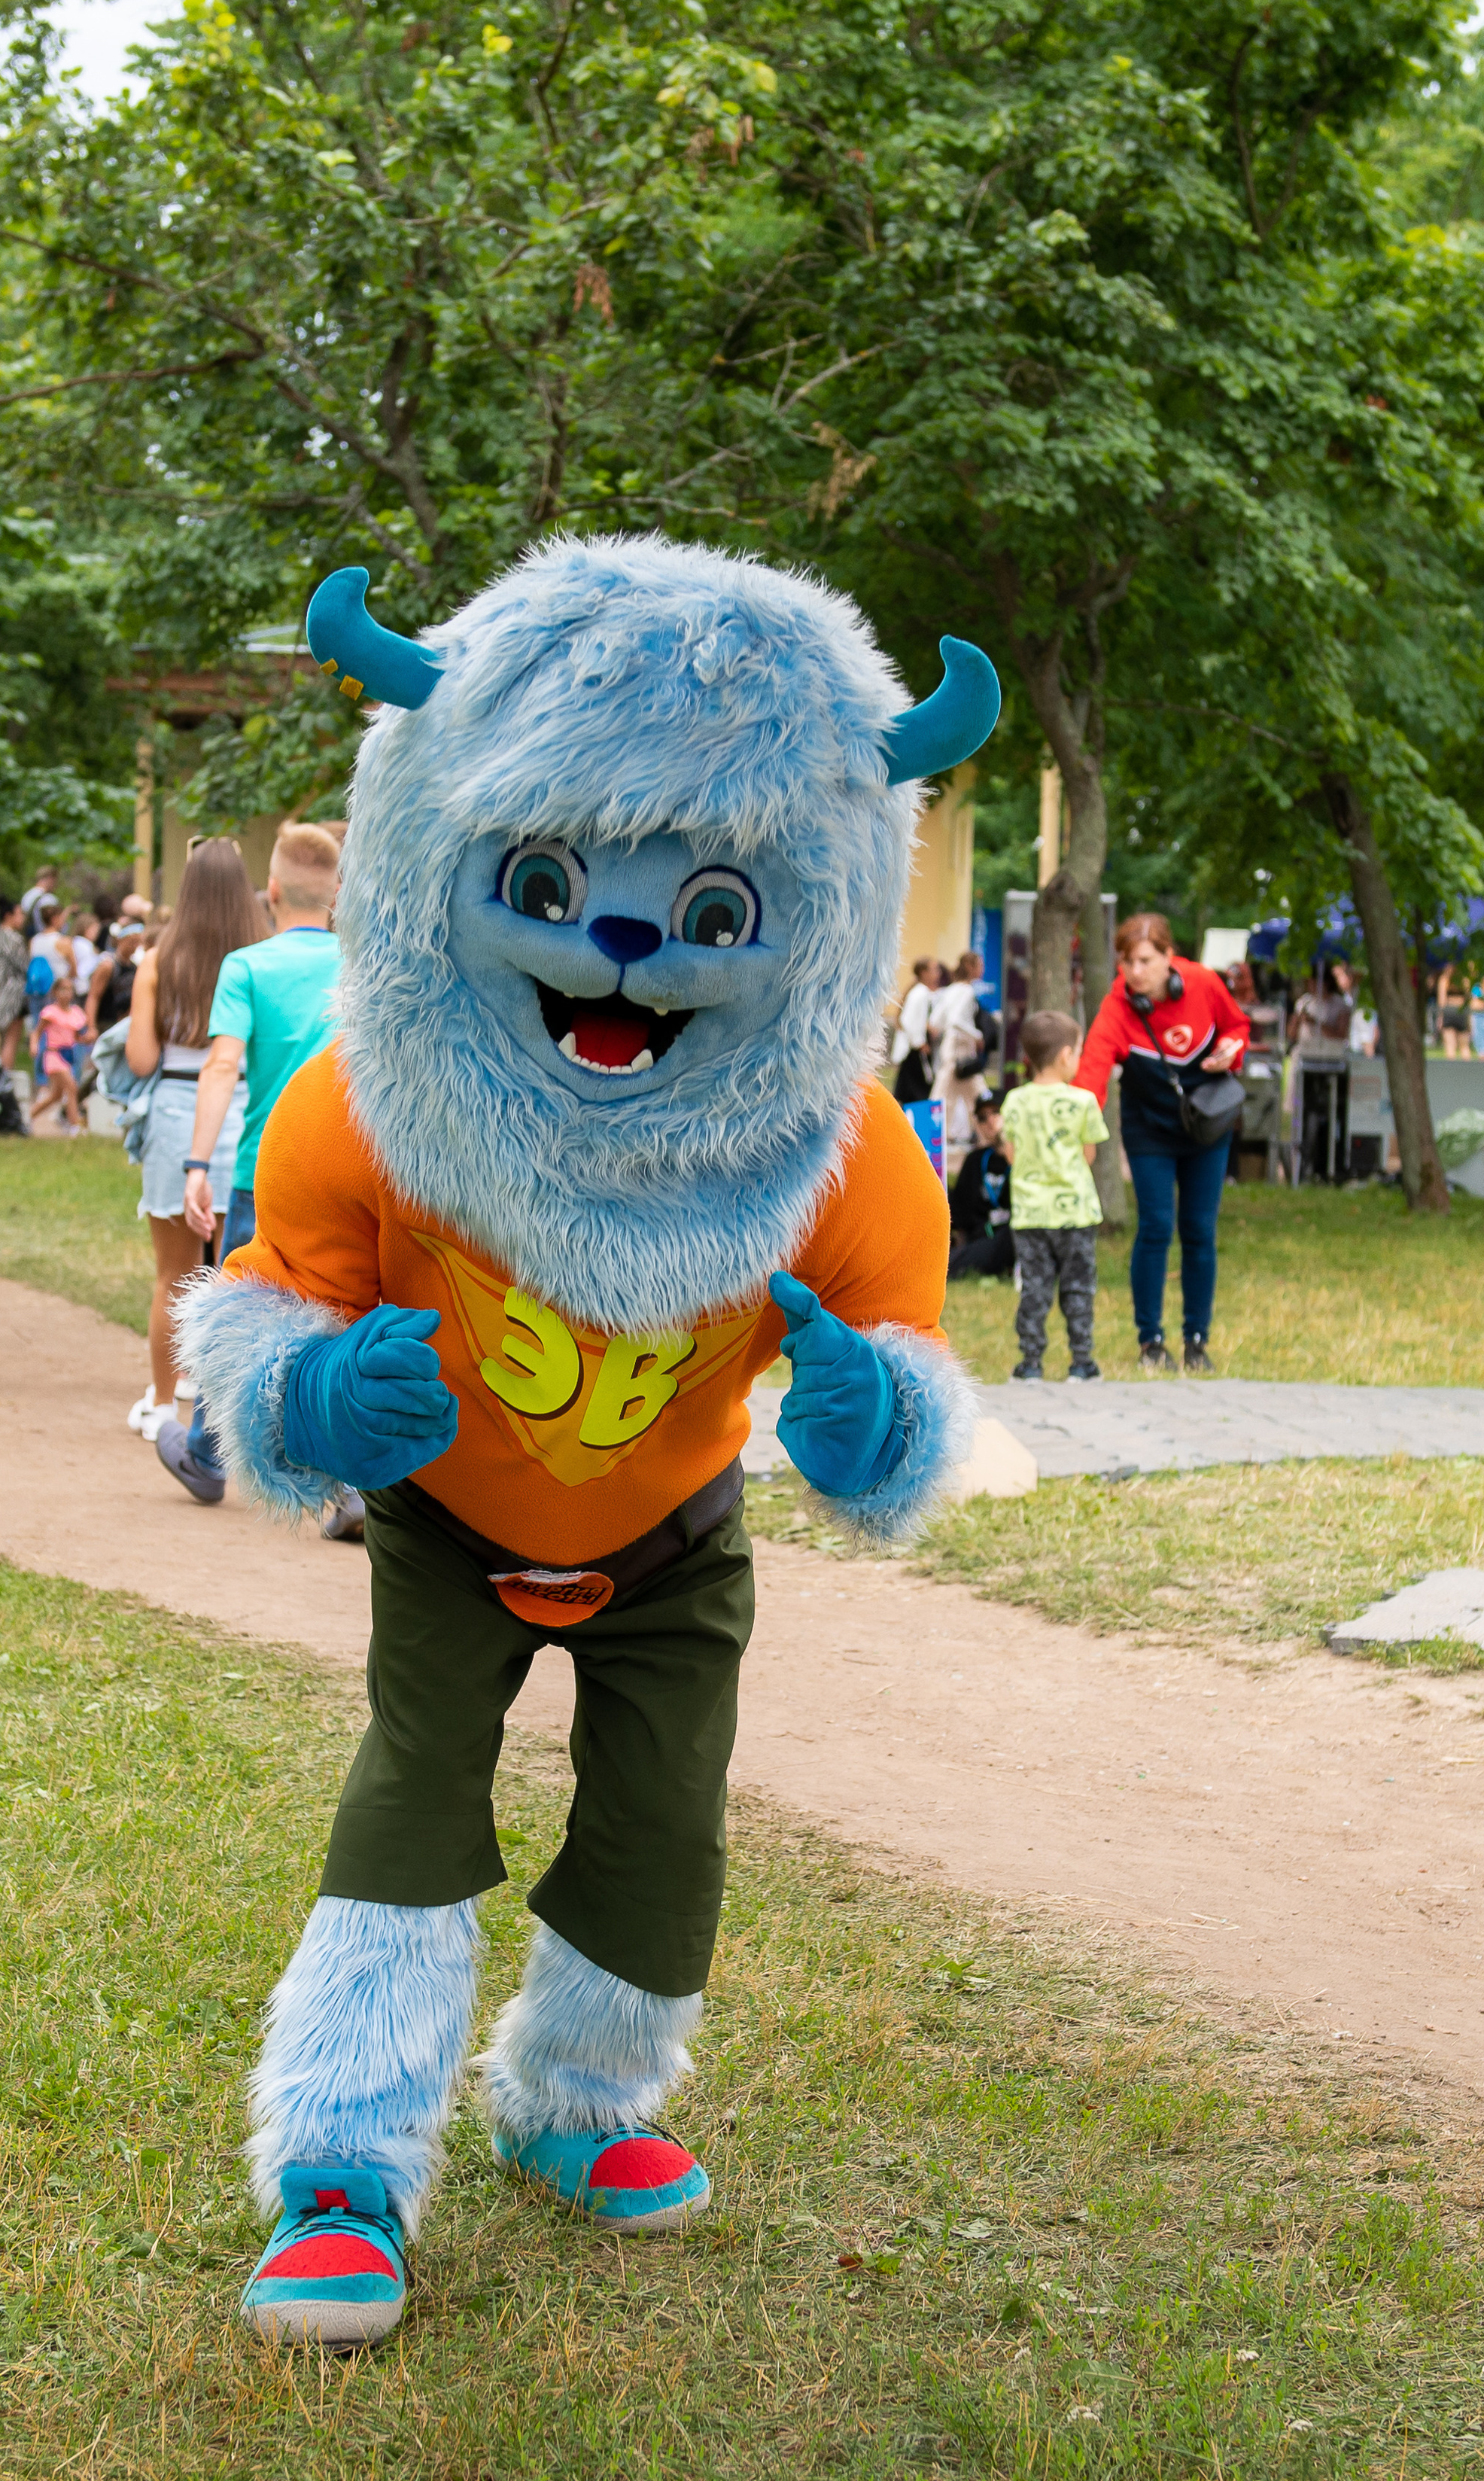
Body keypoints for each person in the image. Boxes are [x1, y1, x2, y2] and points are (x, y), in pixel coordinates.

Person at [177, 540, 979, 2349]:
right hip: (448, 1523)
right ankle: (340, 2163)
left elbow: (904, 1370)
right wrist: (308, 1399)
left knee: (660, 1822)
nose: (616, 940)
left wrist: (874, 1423)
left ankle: (575, 2094)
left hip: (671, 1535)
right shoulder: (363, 1102)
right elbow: (262, 1311)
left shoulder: (840, 1151)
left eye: (711, 903)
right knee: (409, 1798)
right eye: (543, 881)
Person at [157, 822, 345, 1508]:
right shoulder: (362, 965)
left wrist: (195, 1162)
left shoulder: (246, 967)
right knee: (349, 1311)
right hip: (353, 1169)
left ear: (271, 891)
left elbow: (222, 1066)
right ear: (336, 894)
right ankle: (351, 1490)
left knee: (241, 1310)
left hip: (265, 1167)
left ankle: (207, 1455)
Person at [123, 838, 262, 1438]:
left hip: (179, 1113)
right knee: (238, 1272)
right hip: (245, 1108)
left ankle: (161, 1403)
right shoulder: (259, 957)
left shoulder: (160, 959)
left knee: (173, 1274)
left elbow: (140, 1057)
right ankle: (227, 1413)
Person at [1075, 910, 1249, 1377]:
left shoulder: (1204, 983)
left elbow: (1237, 1026)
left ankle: (1197, 1340)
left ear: (1170, 957)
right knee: (1155, 1227)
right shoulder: (1117, 1008)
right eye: (1127, 962)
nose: (1135, 972)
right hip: (1149, 1130)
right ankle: (1150, 1341)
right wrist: (1076, 1126)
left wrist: (1232, 1051)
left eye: (1146, 961)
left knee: (1199, 1230)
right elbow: (1091, 1075)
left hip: (1205, 1127)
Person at [1002, 1011, 1105, 1380]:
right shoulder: (1084, 1102)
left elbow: (1011, 1155)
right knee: (1078, 1288)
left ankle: (1030, 1363)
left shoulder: (1015, 1101)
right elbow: (1089, 1154)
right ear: (1065, 1055)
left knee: (1035, 1289)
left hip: (1031, 1214)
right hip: (1076, 1213)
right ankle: (1081, 1361)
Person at [947, 1092, 1014, 1280]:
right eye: (983, 1118)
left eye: (996, 1112)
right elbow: (960, 1209)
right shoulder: (975, 1160)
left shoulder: (1024, 1158)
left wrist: (1006, 1142)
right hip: (981, 1236)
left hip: (1012, 1234)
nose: (990, 1122)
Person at [929, 950, 986, 1175]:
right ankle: (990, 1140)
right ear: (971, 967)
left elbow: (936, 1021)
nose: (982, 969)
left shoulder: (951, 990)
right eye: (979, 965)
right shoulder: (966, 991)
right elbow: (954, 1020)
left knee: (946, 1101)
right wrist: (977, 1035)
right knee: (976, 1099)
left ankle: (934, 1144)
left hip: (951, 1053)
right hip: (961, 1055)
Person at [35, 974, 90, 1133]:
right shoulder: (50, 1013)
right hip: (53, 1055)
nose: (66, 993)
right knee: (72, 1087)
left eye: (69, 990)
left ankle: (28, 1116)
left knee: (56, 1096)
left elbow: (78, 1037)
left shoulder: (76, 1013)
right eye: (63, 989)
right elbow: (37, 1032)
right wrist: (34, 1046)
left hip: (68, 1055)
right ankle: (74, 1126)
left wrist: (87, 1038)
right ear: (55, 992)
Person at [0, 897, 30, 1070]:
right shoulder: (13, 939)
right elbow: (24, 966)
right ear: (9, 916)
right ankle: (5, 1075)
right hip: (13, 995)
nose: (22, 918)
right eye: (19, 914)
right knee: (11, 1039)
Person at [891, 957, 944, 1104]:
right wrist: (920, 1043)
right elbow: (908, 1020)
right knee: (918, 1092)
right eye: (934, 970)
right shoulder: (921, 993)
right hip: (914, 1051)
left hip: (913, 1050)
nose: (938, 973)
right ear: (923, 973)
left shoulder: (920, 992)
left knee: (908, 1091)